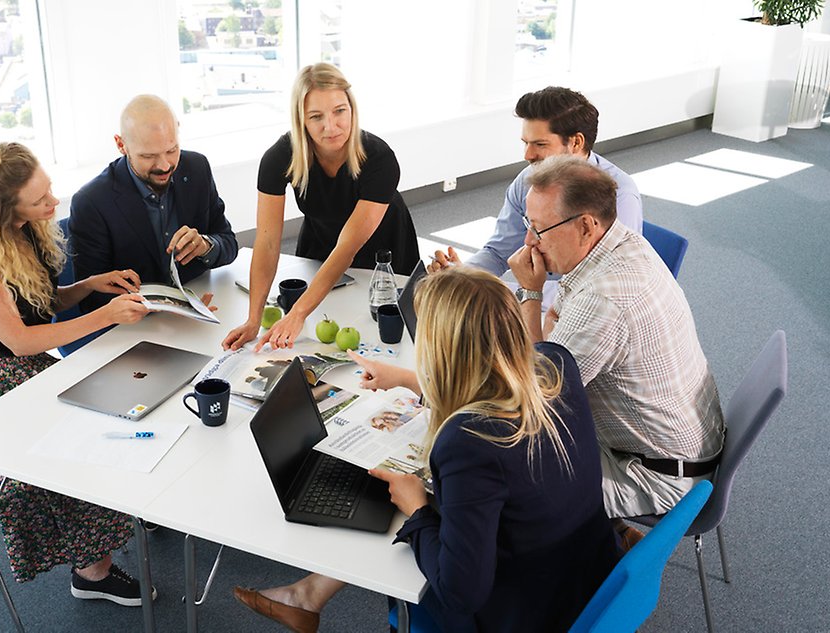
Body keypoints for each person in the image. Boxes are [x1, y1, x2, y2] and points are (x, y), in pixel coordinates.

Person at [233, 267, 621, 632]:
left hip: (527, 612)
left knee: (392, 525)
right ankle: (306, 596)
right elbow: (494, 385)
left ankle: (306, 596)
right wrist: (411, 383)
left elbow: (460, 593)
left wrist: (417, 510)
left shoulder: (468, 443)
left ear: (445, 349)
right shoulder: (556, 363)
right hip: (588, 574)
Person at [0, 142, 158, 605]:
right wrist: (106, 315)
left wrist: (89, 286)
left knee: (113, 419)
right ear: (2, 205)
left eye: (49, 191)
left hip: (31, 371)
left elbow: (40, 302)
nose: (53, 204)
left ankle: (117, 527)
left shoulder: (21, 231)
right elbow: (17, 339)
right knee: (76, 449)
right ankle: (92, 572)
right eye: (41, 200)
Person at [509, 154, 724, 543]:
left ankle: (583, 564)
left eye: (538, 230)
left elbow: (532, 396)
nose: (528, 241)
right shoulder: (622, 244)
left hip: (656, 476)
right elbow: (555, 328)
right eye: (528, 224)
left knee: (506, 476)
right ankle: (611, 533)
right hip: (673, 444)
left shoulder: (605, 299)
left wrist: (529, 292)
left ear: (587, 226)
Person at [223, 63, 419, 352]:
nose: (331, 126)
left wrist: (297, 314)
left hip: (384, 250)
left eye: (340, 111)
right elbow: (266, 243)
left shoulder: (380, 159)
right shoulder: (279, 158)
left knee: (383, 337)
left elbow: (347, 248)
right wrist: (253, 319)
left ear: (352, 108)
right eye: (316, 117)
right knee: (318, 333)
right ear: (300, 120)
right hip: (320, 241)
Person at [429, 86, 643, 310]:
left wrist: (498, 291)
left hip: (588, 309)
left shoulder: (620, 196)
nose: (527, 155)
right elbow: (498, 252)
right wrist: (461, 276)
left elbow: (603, 288)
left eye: (540, 144)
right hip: (536, 301)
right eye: (525, 142)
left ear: (576, 143)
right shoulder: (529, 180)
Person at [69, 94, 238, 314]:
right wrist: (158, 306)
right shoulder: (91, 202)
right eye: (148, 156)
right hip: (134, 325)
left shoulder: (197, 168)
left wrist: (206, 246)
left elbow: (229, 244)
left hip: (200, 305)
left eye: (171, 150)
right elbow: (91, 300)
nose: (165, 165)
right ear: (121, 145)